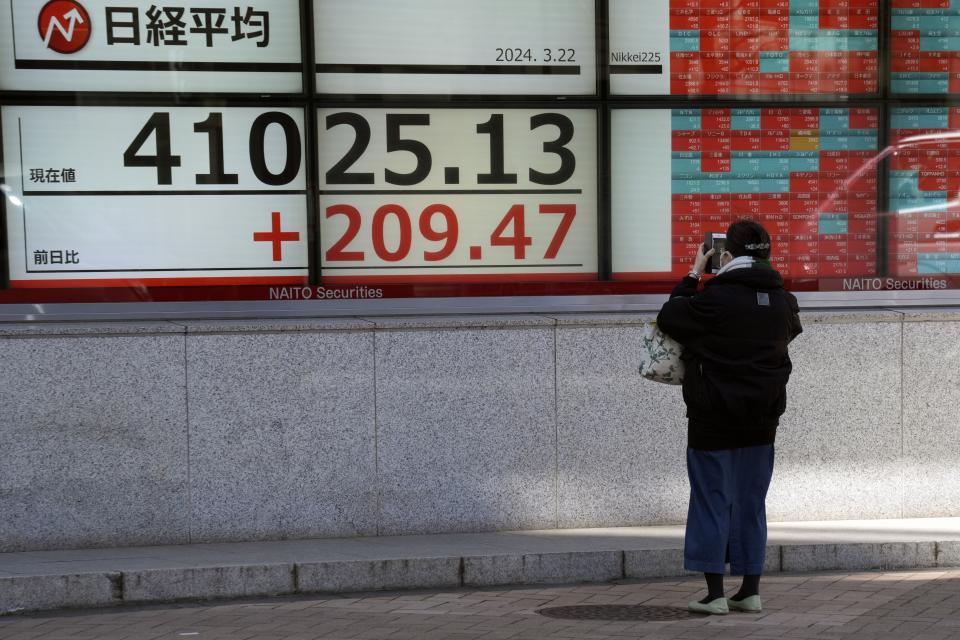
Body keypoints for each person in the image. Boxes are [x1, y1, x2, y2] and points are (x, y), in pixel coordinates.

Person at [657, 219, 802, 615]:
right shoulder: (784, 302)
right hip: (763, 419)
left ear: (726, 255)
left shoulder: (714, 301)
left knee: (711, 500)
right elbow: (788, 333)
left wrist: (693, 275)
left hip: (713, 418)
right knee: (751, 502)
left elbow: (670, 316)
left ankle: (714, 594)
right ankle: (750, 590)